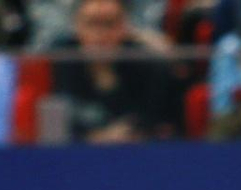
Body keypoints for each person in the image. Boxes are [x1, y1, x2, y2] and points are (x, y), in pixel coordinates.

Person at [52, 0, 182, 143]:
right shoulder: (60, 61)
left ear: (124, 27)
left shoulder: (146, 65)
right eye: (92, 23)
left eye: (110, 24)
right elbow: (55, 128)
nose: (100, 34)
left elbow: (157, 122)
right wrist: (95, 137)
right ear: (77, 27)